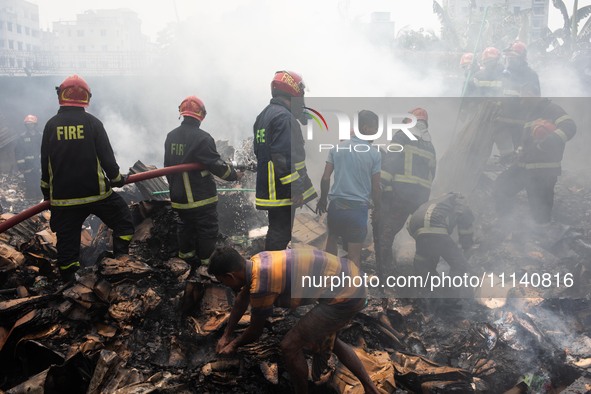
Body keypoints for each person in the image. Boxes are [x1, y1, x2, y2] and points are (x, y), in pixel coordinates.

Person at [209, 246, 380, 394]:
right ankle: (371, 388)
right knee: (330, 339)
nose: (225, 285)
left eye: (222, 281)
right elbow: (241, 300)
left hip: (346, 294)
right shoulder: (257, 260)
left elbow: (255, 331)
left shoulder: (262, 285)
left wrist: (234, 344)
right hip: (350, 276)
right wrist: (227, 334)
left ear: (230, 276)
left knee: (289, 346)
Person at [40, 75, 134, 282]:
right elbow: (107, 158)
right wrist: (117, 179)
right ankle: (121, 260)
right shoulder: (93, 123)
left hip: (64, 201)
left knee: (67, 244)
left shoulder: (51, 125)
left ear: (61, 96)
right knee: (124, 222)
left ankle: (69, 284)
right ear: (86, 98)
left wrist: (47, 195)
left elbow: (46, 164)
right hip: (97, 195)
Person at [164, 95, 242, 270]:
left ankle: (185, 265)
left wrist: (175, 188)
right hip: (201, 198)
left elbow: (167, 166)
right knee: (207, 230)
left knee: (185, 228)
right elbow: (216, 165)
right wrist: (234, 175)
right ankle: (207, 268)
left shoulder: (171, 136)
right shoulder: (203, 138)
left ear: (182, 113)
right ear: (202, 115)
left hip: (179, 198)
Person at [253, 70, 317, 251]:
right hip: (282, 190)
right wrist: (295, 188)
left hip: (272, 187)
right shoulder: (284, 117)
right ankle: (274, 274)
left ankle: (272, 269)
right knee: (280, 235)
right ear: (293, 92)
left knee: (276, 230)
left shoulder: (264, 116)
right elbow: (283, 158)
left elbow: (259, 151)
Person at [493, 98, 576, 224]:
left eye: (525, 97)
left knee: (540, 214)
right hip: (523, 168)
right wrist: (517, 154)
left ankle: (542, 238)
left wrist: (549, 141)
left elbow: (569, 126)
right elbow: (528, 144)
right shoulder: (530, 114)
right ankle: (506, 224)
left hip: (543, 172)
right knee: (501, 186)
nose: (522, 101)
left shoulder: (551, 109)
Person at [375, 108, 436, 278]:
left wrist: (381, 186)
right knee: (419, 234)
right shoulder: (429, 145)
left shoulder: (401, 136)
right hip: (420, 197)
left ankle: (383, 268)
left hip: (401, 194)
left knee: (387, 229)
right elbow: (432, 172)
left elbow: (390, 163)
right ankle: (424, 269)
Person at [316, 110, 381, 266]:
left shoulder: (336, 149)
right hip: (357, 210)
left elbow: (325, 178)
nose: (376, 132)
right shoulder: (374, 154)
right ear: (365, 128)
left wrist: (323, 200)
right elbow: (376, 186)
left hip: (336, 207)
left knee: (331, 243)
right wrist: (378, 208)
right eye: (375, 128)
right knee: (354, 257)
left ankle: (328, 284)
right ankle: (352, 289)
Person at [407, 192, 474, 284]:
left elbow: (433, 239)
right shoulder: (461, 203)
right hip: (434, 224)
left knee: (425, 264)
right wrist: (466, 249)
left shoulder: (438, 202)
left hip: (414, 227)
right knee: (460, 265)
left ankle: (426, 291)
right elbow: (466, 231)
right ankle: (449, 292)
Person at [15, 114, 42, 199]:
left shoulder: (41, 135)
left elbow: (46, 149)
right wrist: (21, 165)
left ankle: (40, 199)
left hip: (39, 164)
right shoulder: (22, 137)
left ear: (35, 124)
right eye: (28, 124)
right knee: (29, 183)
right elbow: (18, 152)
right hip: (28, 165)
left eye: (31, 123)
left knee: (40, 182)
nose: (29, 125)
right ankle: (30, 201)